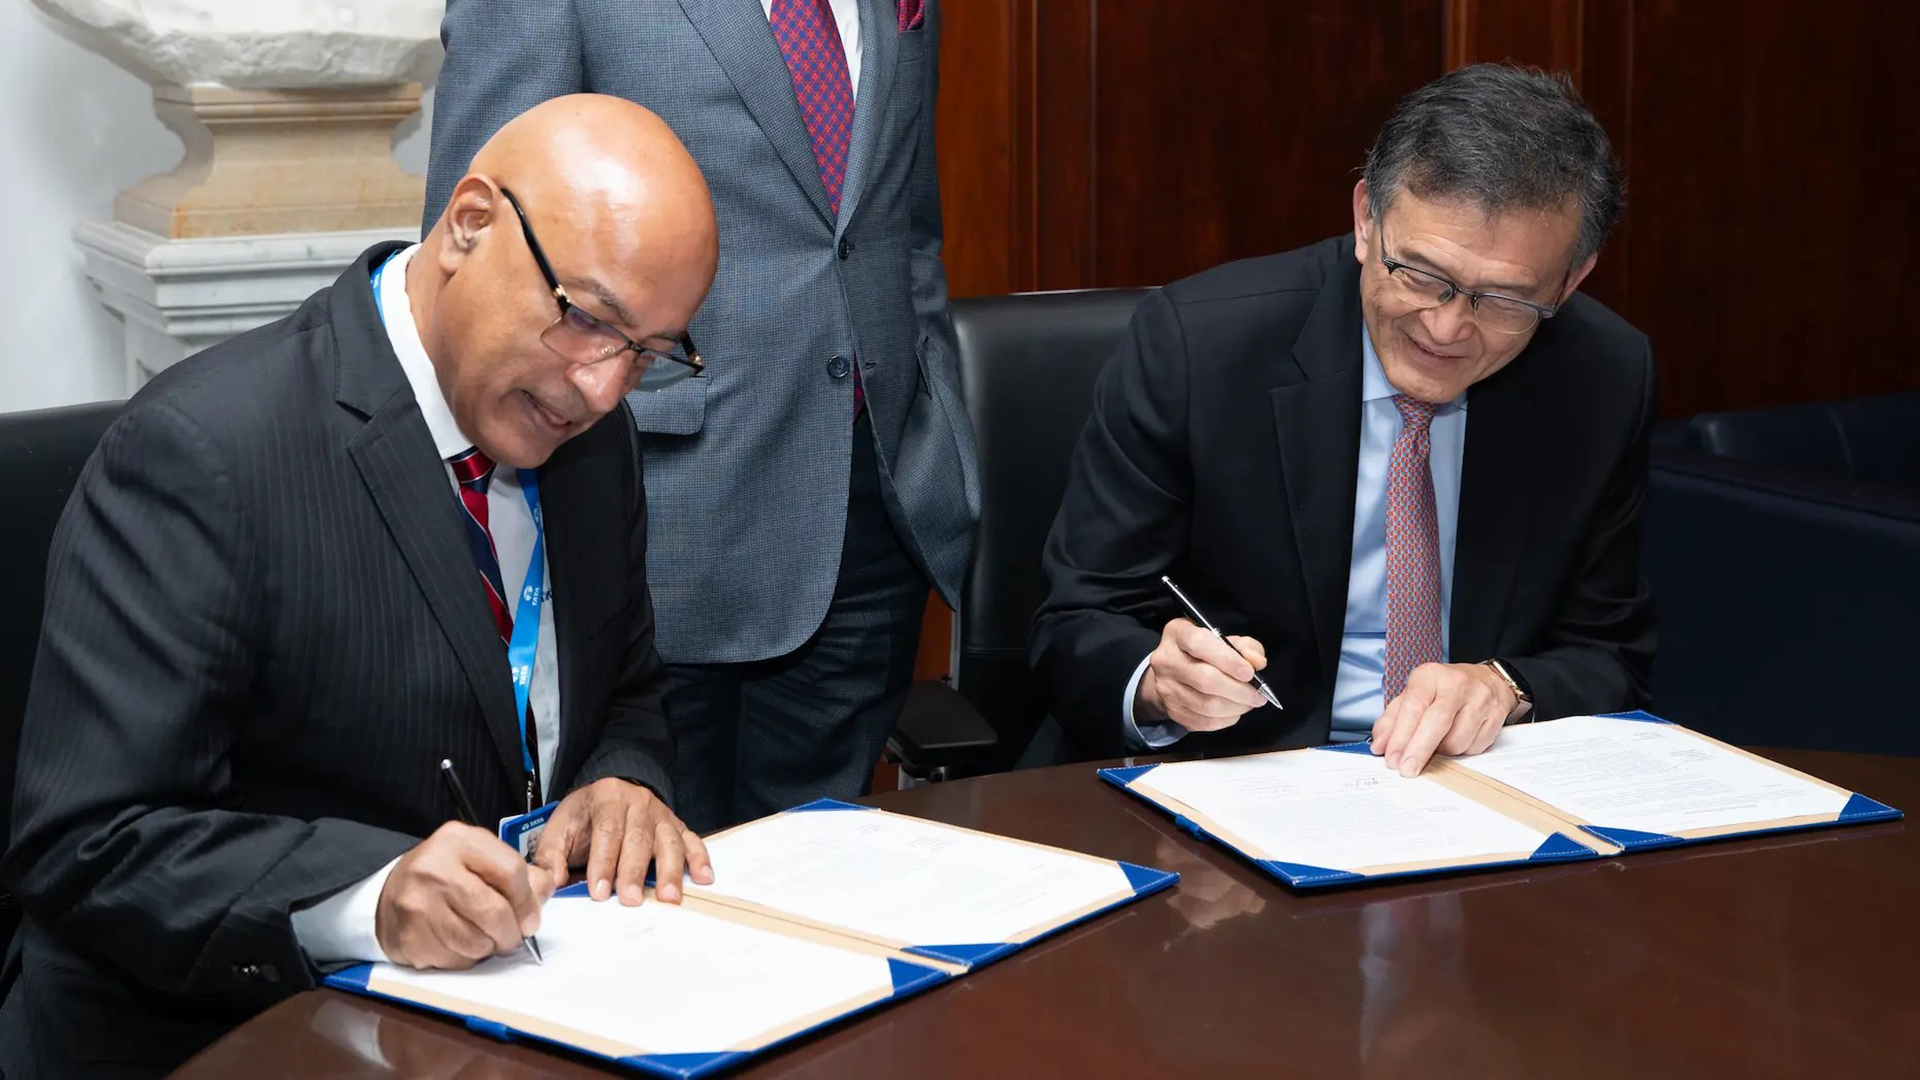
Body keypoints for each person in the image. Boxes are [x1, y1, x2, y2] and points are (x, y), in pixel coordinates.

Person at [0, 95, 720, 1077]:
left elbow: (626, 690)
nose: (602, 388)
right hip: (229, 1039)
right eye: (589, 320)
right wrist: (366, 900)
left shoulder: (591, 440)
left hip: (501, 1020)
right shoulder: (207, 455)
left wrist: (620, 779)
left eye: (647, 352)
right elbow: (89, 844)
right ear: (469, 223)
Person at [426, 0, 980, 833]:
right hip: (655, 513)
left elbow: (901, 230)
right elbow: (476, 267)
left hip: (874, 519)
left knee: (823, 895)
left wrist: (936, 431)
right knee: (647, 902)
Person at [1031, 64, 1656, 775]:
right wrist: (1155, 683)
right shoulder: (1199, 347)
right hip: (1230, 780)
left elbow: (1611, 654)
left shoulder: (1603, 376)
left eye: (1505, 300)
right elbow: (1076, 620)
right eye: (1421, 274)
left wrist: (1504, 687)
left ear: (1572, 280)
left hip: (1468, 791)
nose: (1447, 327)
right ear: (1367, 218)